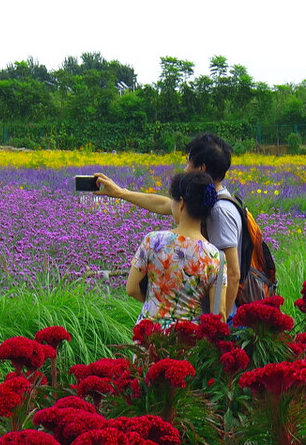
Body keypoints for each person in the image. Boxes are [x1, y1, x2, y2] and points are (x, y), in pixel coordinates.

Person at [96, 133, 242, 317]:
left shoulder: (219, 211)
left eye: (188, 161)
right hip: (194, 321)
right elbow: (165, 205)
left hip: (220, 318)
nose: (185, 167)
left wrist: (218, 329)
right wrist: (121, 193)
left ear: (201, 169)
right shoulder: (206, 202)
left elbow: (233, 274)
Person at [126, 171, 226, 325]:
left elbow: (131, 288)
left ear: (182, 204)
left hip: (149, 335)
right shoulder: (216, 256)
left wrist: (154, 303)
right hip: (188, 339)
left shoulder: (153, 241)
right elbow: (218, 312)